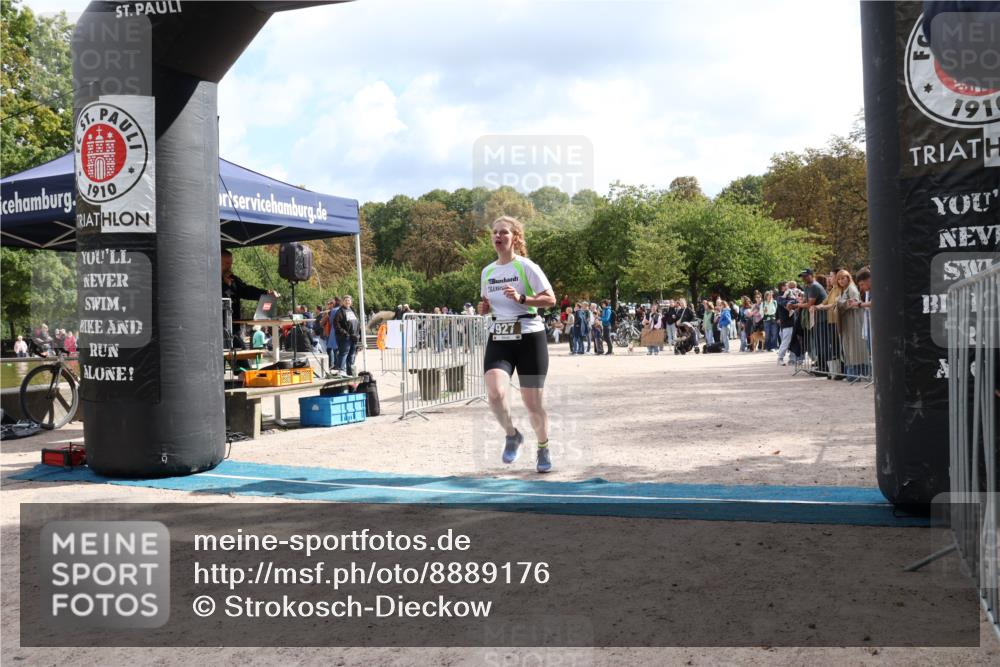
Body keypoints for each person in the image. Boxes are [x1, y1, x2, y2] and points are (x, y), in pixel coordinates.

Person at [478, 215, 557, 473]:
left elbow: (550, 299)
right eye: (494, 233)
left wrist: (523, 298)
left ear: (515, 238)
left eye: (504, 232)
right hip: (500, 334)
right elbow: (486, 303)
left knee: (532, 403)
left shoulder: (526, 267)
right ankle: (512, 434)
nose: (498, 236)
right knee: (495, 393)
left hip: (529, 337)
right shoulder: (487, 272)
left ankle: (543, 447)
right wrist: (483, 308)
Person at [221, 249, 279, 353]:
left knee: (243, 363)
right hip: (219, 330)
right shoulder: (211, 279)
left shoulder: (234, 280)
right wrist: (225, 285)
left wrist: (266, 293)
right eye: (226, 264)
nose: (229, 267)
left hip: (234, 330)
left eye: (231, 264)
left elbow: (247, 291)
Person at [332, 294, 361, 376]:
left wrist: (358, 334)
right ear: (343, 302)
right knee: (344, 353)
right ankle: (341, 370)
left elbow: (357, 322)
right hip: (345, 338)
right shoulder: (340, 312)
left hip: (354, 337)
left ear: (351, 302)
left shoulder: (353, 310)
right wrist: (346, 334)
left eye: (349, 300)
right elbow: (336, 325)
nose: (347, 302)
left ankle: (350, 371)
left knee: (352, 354)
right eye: (346, 300)